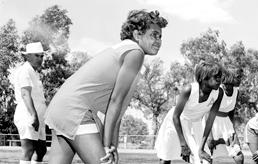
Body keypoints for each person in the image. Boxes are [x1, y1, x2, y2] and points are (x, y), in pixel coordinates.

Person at [44, 10, 168, 164]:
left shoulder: (125, 50)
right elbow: (115, 101)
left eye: (160, 36)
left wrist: (112, 145)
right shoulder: (135, 53)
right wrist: (106, 145)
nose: (159, 41)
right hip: (76, 110)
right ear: (137, 35)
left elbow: (118, 112)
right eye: (154, 35)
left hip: (60, 107)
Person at [155, 61, 223, 164]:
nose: (219, 80)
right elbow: (176, 116)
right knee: (165, 158)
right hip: (176, 122)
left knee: (204, 161)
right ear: (204, 77)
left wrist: (201, 148)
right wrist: (183, 144)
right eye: (216, 77)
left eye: (220, 76)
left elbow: (210, 121)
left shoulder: (219, 93)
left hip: (196, 124)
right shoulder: (189, 90)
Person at [10, 42, 47, 164]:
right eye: (37, 56)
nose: (40, 59)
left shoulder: (34, 72)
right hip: (28, 115)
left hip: (39, 116)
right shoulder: (24, 70)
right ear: (28, 56)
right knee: (28, 150)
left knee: (42, 150)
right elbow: (25, 94)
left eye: (42, 56)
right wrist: (34, 116)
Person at [206, 67, 244, 164]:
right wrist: (209, 135)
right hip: (211, 123)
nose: (240, 79)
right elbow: (207, 112)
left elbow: (231, 112)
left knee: (239, 156)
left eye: (240, 77)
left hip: (226, 123)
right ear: (230, 77)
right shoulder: (217, 91)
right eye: (238, 77)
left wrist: (233, 129)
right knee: (207, 156)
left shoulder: (236, 91)